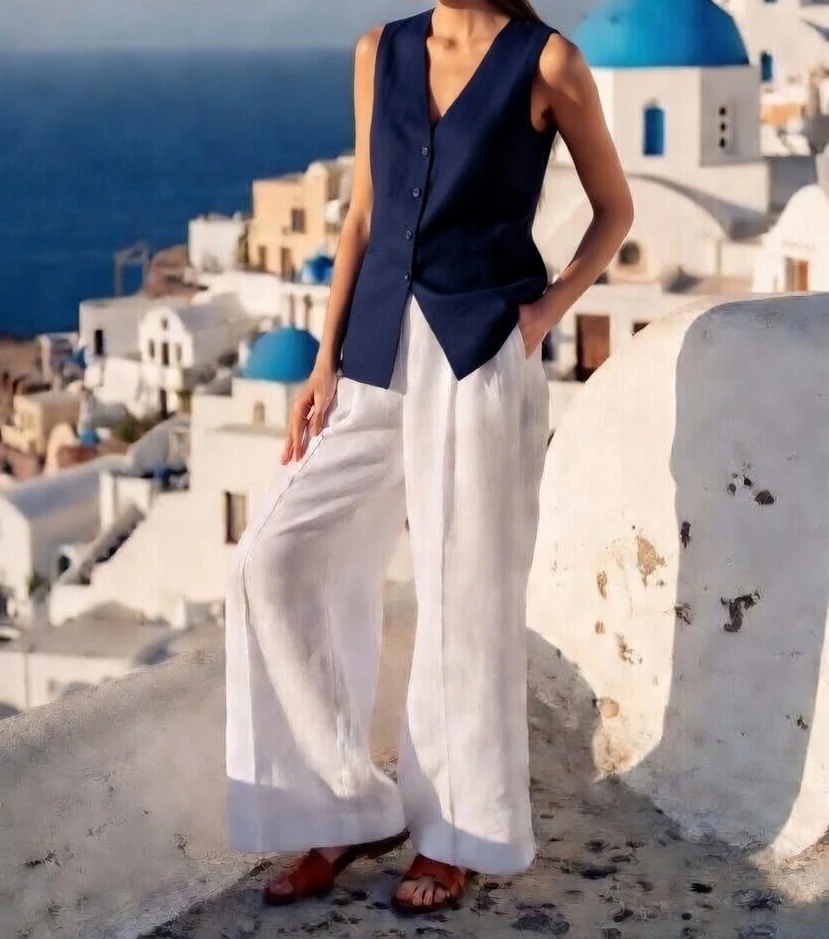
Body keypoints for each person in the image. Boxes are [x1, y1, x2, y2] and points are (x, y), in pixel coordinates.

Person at [224, 0, 633, 916]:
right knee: (274, 559)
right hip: (370, 355)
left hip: (479, 354)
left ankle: (454, 837)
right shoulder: (381, 49)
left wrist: (540, 315)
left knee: (465, 594)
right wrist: (323, 358)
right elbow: (363, 211)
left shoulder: (549, 62)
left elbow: (614, 210)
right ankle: (335, 804)